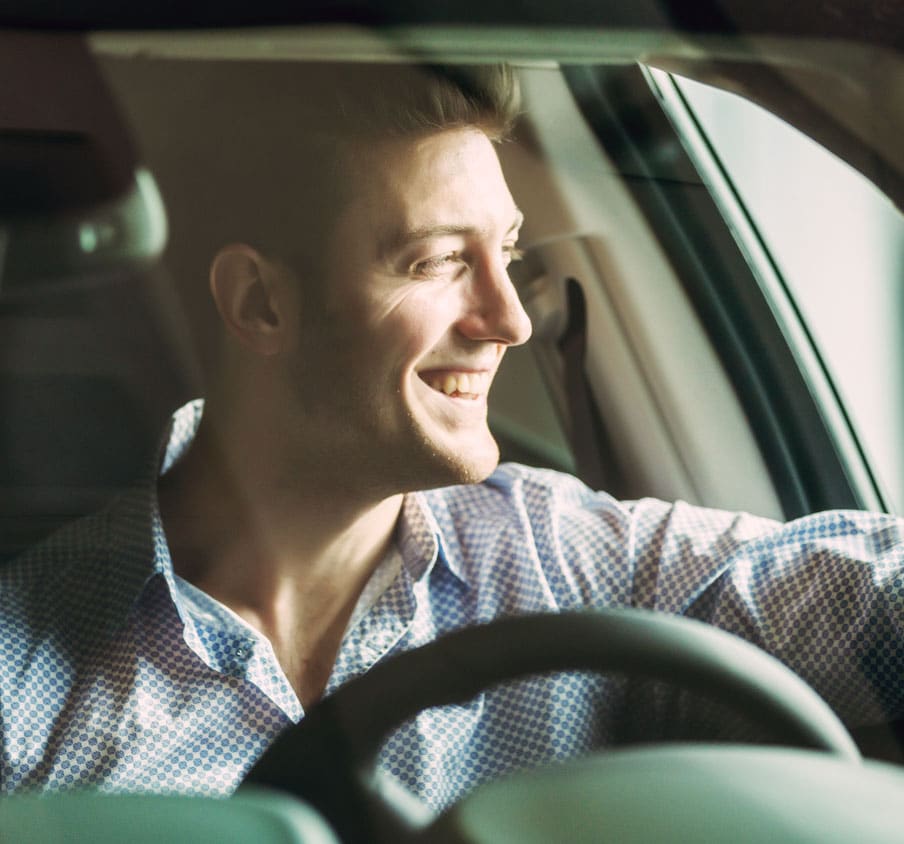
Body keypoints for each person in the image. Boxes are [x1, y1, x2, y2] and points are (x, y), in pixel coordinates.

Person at [1, 60, 903, 809]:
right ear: (261, 303)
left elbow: (863, 602)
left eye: (506, 252)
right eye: (437, 261)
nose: (508, 319)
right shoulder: (24, 679)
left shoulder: (561, 556)